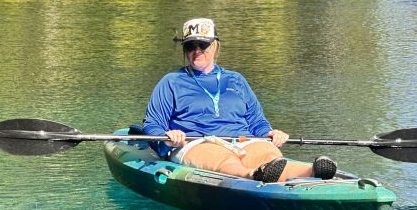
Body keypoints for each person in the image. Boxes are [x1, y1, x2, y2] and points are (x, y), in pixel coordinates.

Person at [142, 17, 337, 183]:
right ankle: (252, 175)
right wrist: (168, 137)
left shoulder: (236, 80)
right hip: (196, 142)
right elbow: (152, 124)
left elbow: (257, 121)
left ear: (215, 45)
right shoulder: (171, 82)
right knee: (222, 158)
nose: (197, 50)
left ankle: (314, 171)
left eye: (203, 45)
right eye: (190, 46)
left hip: (243, 139)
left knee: (269, 154)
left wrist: (269, 133)